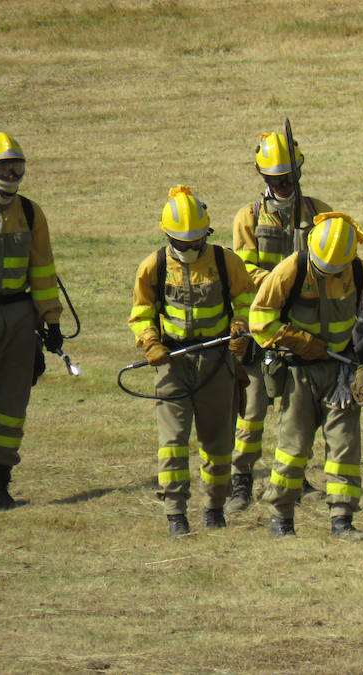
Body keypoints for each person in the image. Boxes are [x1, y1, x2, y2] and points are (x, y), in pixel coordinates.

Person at [129, 185, 255, 537]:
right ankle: (175, 514)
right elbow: (141, 313)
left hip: (216, 360)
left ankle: (215, 507)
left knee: (217, 443)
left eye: (196, 241)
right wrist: (150, 341)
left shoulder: (224, 261)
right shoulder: (153, 266)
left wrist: (240, 326)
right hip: (172, 362)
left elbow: (247, 299)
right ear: (168, 235)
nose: (190, 248)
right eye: (182, 242)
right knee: (172, 442)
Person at [249, 211, 363, 539]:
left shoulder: (358, 271)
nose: (327, 272)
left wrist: (354, 369)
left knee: (345, 448)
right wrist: (302, 343)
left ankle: (342, 521)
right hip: (297, 373)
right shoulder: (291, 269)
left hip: (341, 372)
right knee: (294, 447)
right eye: (322, 267)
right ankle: (281, 518)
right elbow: (260, 321)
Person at [227, 128, 332, 514]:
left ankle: (295, 476)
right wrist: (279, 285)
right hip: (261, 323)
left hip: (302, 328)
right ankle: (240, 480)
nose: (283, 184)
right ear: (263, 177)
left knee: (297, 410)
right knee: (253, 410)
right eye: (274, 178)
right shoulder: (249, 216)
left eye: (287, 177)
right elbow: (244, 268)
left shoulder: (319, 213)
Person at [0, 132, 63, 509]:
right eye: (5, 167)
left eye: (17, 167)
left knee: (11, 402)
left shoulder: (31, 213)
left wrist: (50, 322)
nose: (13, 174)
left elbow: (43, 270)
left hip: (19, 316)